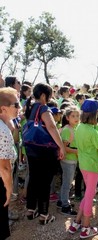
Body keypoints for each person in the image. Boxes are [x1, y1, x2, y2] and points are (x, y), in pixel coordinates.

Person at [24, 83, 65, 225]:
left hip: (31, 148)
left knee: (34, 179)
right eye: (49, 96)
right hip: (45, 150)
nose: (49, 99)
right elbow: (52, 127)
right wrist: (61, 147)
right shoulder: (43, 108)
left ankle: (30, 210)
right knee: (45, 182)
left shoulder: (30, 107)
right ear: (43, 95)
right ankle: (44, 214)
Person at [68, 99, 98, 238]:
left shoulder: (79, 128)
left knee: (89, 193)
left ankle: (76, 222)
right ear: (95, 114)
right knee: (90, 195)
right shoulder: (93, 132)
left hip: (83, 165)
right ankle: (86, 227)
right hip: (93, 166)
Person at [0, 87, 20, 240]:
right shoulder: (3, 131)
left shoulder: (4, 125)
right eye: (16, 105)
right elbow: (5, 167)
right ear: (3, 109)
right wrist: (9, 189)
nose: (19, 108)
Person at [59, 106, 80, 216]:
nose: (76, 118)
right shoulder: (67, 130)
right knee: (67, 183)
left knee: (66, 182)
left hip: (71, 160)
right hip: (68, 160)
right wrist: (77, 152)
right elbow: (64, 147)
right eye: (73, 116)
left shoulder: (73, 128)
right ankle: (65, 206)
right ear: (67, 118)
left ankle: (61, 200)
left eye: (77, 116)